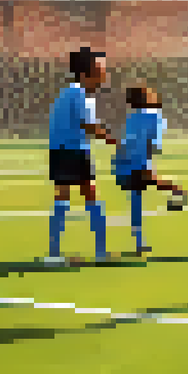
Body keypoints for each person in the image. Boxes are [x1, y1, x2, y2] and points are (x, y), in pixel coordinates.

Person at [46, 46, 118, 266]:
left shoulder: (76, 92)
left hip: (61, 149)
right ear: (86, 73)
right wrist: (117, 143)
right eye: (100, 68)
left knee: (63, 196)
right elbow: (88, 125)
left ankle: (55, 253)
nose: (104, 72)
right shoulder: (78, 92)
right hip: (73, 150)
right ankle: (100, 252)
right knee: (90, 194)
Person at [113, 85, 188, 255]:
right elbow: (153, 145)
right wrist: (147, 163)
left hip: (121, 162)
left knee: (136, 199)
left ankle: (139, 242)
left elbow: (126, 141)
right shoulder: (157, 117)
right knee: (150, 183)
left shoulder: (131, 118)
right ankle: (179, 193)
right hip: (138, 163)